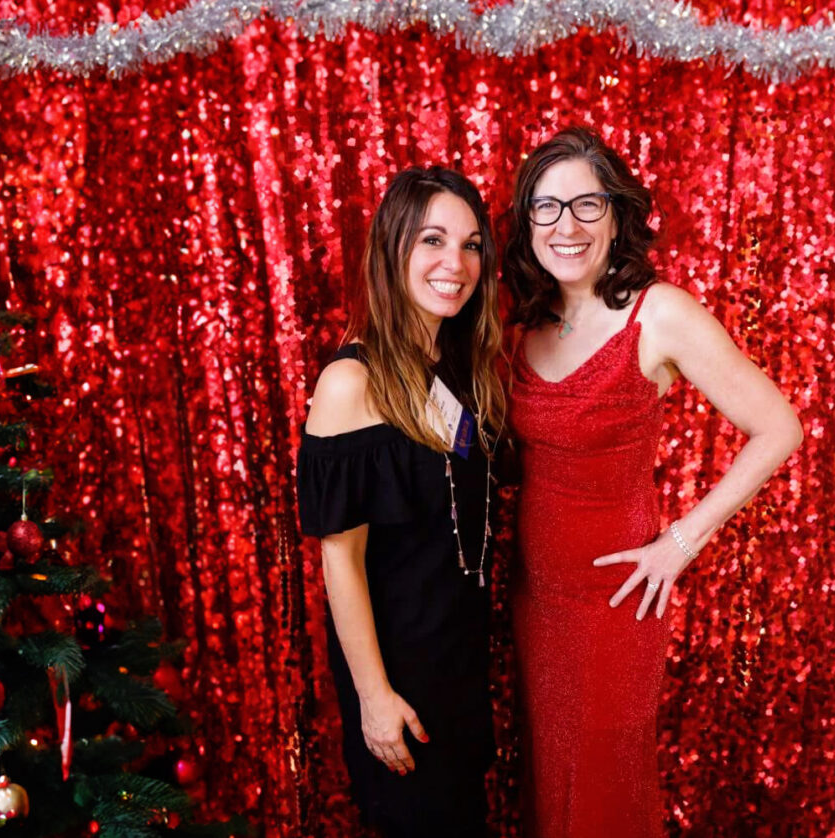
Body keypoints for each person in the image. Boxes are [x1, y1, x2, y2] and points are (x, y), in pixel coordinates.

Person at [502, 125, 803, 838]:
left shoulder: (657, 312)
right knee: (554, 789)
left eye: (587, 204)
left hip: (618, 603)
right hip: (535, 601)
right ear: (526, 223)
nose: (566, 225)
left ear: (616, 216)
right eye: (547, 207)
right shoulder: (524, 322)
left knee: (604, 794)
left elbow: (779, 427)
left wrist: (680, 542)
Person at [296, 166, 508, 837]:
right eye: (434, 241)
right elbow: (342, 562)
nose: (456, 263)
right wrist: (374, 697)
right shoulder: (349, 382)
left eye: (472, 245)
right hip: (400, 677)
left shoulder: (463, 369)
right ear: (394, 250)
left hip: (461, 664)